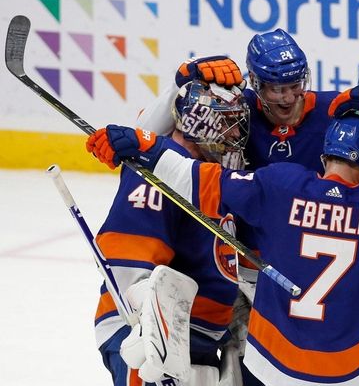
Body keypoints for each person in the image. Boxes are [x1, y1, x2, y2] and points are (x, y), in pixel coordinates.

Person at [85, 114, 359, 386]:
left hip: (274, 365)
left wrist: (144, 145)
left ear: (325, 155)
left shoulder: (281, 184)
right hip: (354, 373)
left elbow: (196, 179)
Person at [88, 80, 253, 385]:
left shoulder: (206, 174)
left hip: (194, 338)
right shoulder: (156, 176)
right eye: (229, 124)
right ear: (202, 122)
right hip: (148, 337)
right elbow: (127, 259)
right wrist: (145, 330)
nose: (236, 136)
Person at [137, 29, 338, 173]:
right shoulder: (235, 109)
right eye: (277, 89)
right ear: (255, 82)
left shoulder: (335, 108)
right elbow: (143, 131)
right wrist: (179, 83)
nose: (289, 98)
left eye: (295, 85)